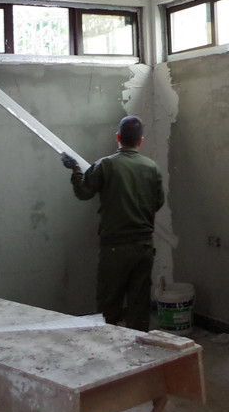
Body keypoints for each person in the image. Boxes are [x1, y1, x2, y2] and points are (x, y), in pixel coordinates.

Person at [61, 116, 165, 331]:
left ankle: (110, 345)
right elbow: (158, 202)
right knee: (139, 304)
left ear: (117, 137)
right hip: (143, 246)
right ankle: (139, 346)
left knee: (109, 305)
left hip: (115, 248)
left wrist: (76, 170)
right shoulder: (152, 168)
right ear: (140, 140)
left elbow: (84, 192)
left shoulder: (106, 165)